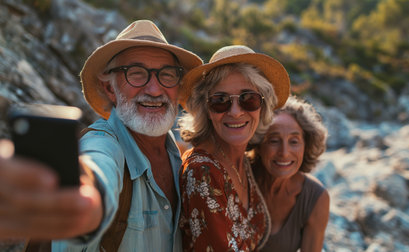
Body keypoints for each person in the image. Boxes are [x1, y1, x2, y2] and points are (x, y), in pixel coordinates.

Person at [0, 19, 202, 251]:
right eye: (136, 74)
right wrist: (84, 199)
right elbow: (97, 166)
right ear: (109, 89)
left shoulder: (178, 158)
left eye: (167, 75)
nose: (155, 89)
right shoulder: (102, 145)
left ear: (178, 86)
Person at [177, 45, 291, 251]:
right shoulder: (202, 170)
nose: (236, 112)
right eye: (220, 101)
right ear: (207, 109)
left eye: (249, 99)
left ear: (262, 106)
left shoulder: (244, 160)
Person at [248, 95, 330, 252]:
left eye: (294, 142)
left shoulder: (315, 198)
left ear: (306, 145)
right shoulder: (238, 177)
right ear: (258, 145)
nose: (284, 153)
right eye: (273, 140)